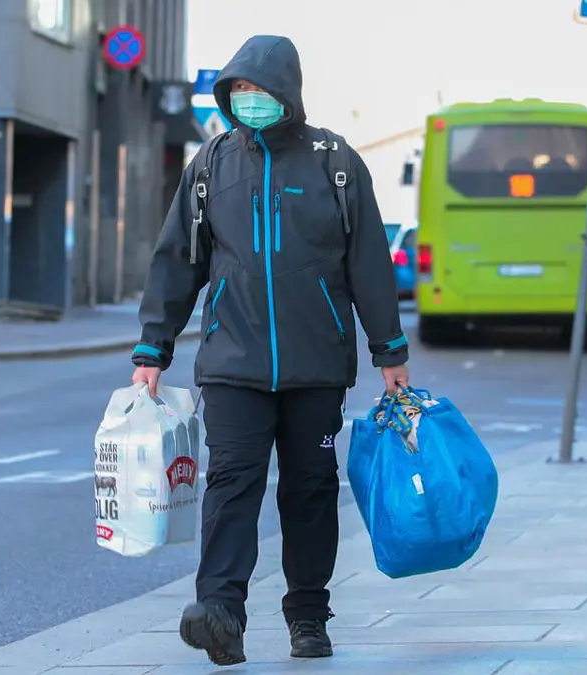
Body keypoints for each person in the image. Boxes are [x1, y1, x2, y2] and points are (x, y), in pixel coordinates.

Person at [129, 35, 410, 666]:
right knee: (231, 482)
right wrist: (154, 347)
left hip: (316, 365)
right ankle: (220, 610)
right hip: (233, 363)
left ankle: (308, 615)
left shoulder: (334, 162)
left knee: (309, 489)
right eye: (240, 92)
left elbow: (368, 261)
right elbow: (179, 260)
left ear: (288, 91)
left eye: (260, 91)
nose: (250, 101)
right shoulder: (210, 166)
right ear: (229, 97)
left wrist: (388, 349)